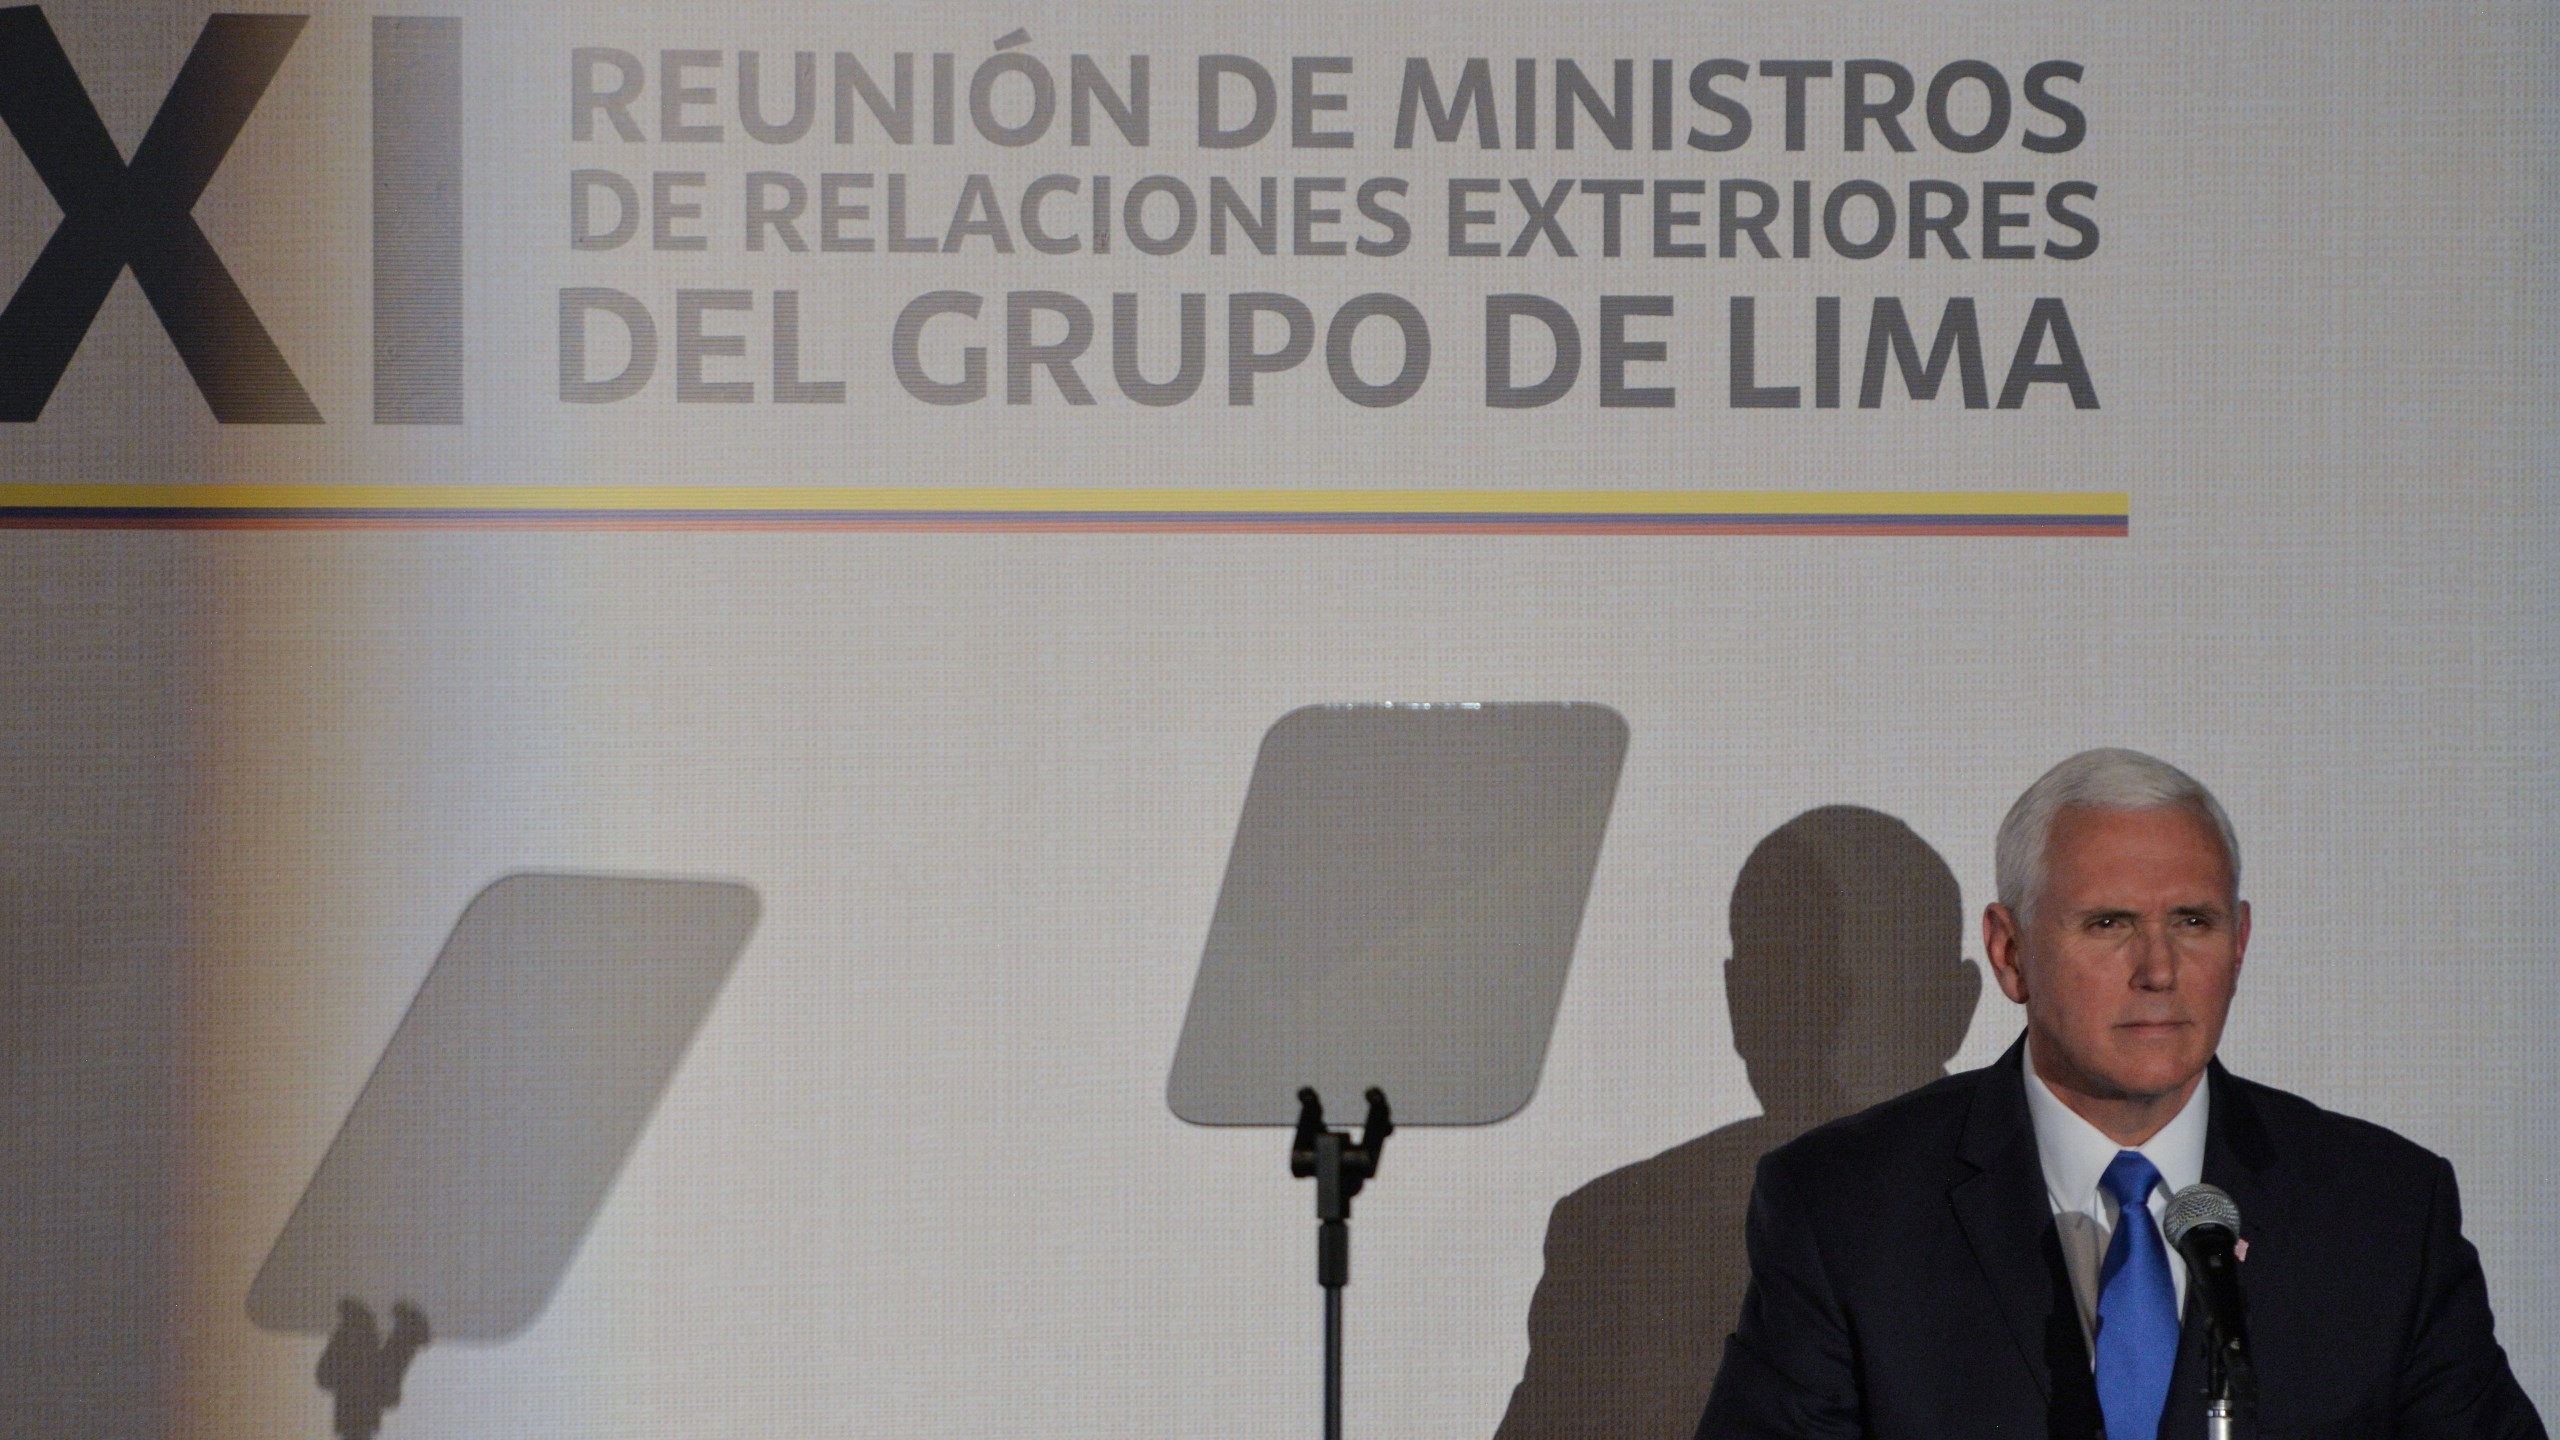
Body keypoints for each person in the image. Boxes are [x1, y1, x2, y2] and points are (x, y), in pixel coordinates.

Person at [1696, 749, 2545, 1440]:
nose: (2160, 971)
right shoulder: (1844, 1210)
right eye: (2108, 924)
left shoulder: (2384, 1209)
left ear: (2240, 943)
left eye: (2193, 922)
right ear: (2010, 952)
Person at [1493, 807, 1980, 1440]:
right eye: (1788, 979)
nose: (1823, 1030)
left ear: (1955, 1005)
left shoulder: (2067, 1214)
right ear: (1734, 996)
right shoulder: (1616, 1236)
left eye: (1857, 979)